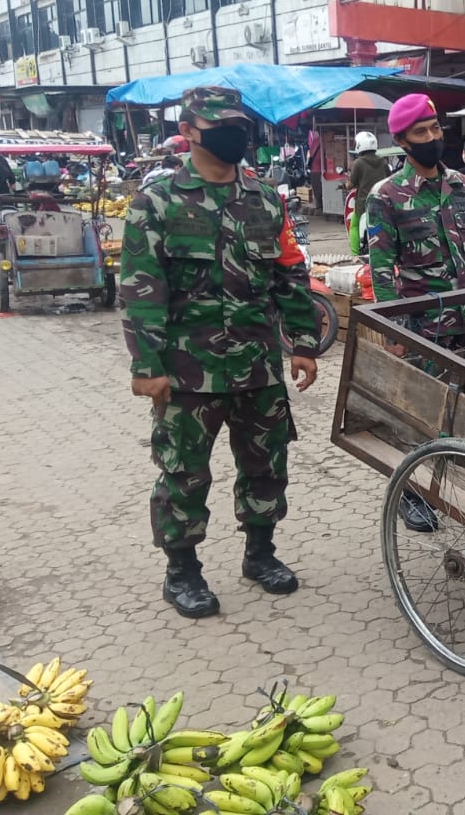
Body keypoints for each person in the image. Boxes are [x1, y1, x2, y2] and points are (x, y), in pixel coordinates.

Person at [120, 86, 319, 620]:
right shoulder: (157, 203)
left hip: (257, 364)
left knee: (266, 464)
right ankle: (182, 572)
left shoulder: (266, 199)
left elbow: (289, 274)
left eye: (238, 123)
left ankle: (260, 554)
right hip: (188, 372)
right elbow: (141, 289)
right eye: (219, 125)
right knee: (184, 472)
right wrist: (147, 367)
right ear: (189, 131)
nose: (235, 133)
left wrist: (302, 342)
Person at [366, 93, 465, 337]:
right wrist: (394, 333)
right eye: (420, 132)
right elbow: (382, 272)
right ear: (401, 140)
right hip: (425, 331)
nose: (432, 137)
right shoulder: (386, 195)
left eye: (435, 128)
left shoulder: (462, 185)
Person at [347, 131, 390, 255]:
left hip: (363, 203)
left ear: (359, 145)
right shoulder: (383, 161)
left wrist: (344, 185)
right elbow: (389, 178)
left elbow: (351, 184)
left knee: (354, 226)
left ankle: (355, 254)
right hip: (381, 201)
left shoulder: (358, 163)